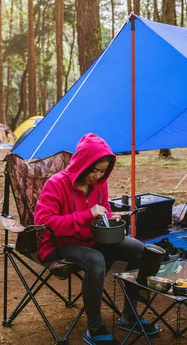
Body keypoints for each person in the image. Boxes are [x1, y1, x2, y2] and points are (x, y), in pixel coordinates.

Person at [34, 133, 158, 345]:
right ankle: (95, 327)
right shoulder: (56, 184)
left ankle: (129, 316)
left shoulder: (100, 184)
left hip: (91, 239)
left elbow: (105, 210)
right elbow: (44, 222)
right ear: (82, 164)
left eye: (103, 171)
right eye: (95, 170)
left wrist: (111, 218)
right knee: (95, 260)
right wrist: (87, 214)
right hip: (59, 245)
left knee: (140, 250)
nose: (98, 176)